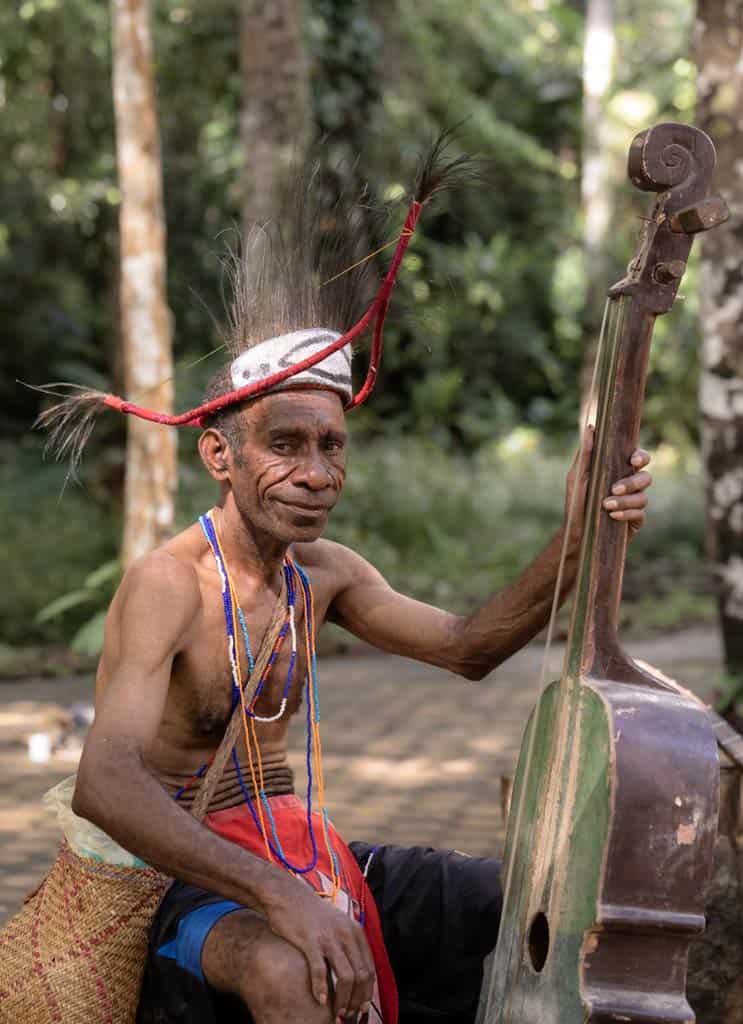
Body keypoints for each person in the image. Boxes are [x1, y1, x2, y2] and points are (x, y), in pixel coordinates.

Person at [42, 149, 653, 1024]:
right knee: (293, 972)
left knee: (517, 906)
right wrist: (283, 899)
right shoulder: (166, 584)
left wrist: (583, 525)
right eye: (286, 445)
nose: (318, 472)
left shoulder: (324, 574)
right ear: (220, 454)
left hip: (298, 852)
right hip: (180, 879)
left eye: (332, 447)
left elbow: (470, 648)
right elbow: (105, 782)